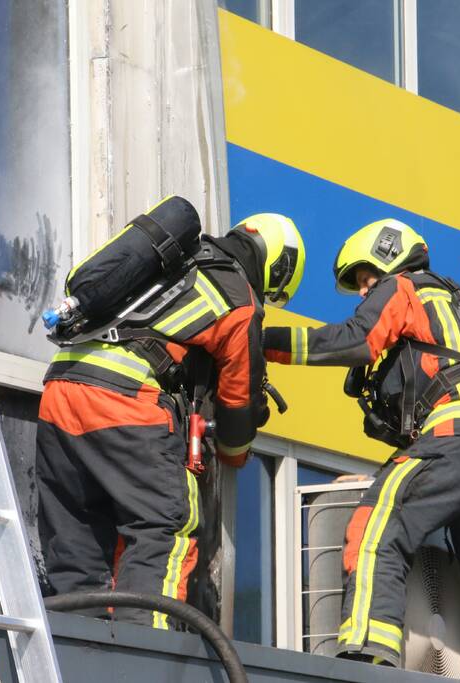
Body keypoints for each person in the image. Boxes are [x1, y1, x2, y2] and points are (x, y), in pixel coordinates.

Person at [263, 219, 460, 681]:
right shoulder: (457, 305)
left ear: (387, 255)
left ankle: (366, 657)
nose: (364, 293)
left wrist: (261, 343)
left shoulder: (403, 287)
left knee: (379, 522)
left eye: (365, 280)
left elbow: (353, 340)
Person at [36, 197, 304, 627]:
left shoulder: (170, 265)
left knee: (76, 540)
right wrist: (235, 452)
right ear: (277, 268)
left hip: (60, 393)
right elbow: (237, 406)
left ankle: (78, 649)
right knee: (165, 527)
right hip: (127, 402)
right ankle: (147, 656)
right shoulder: (239, 296)